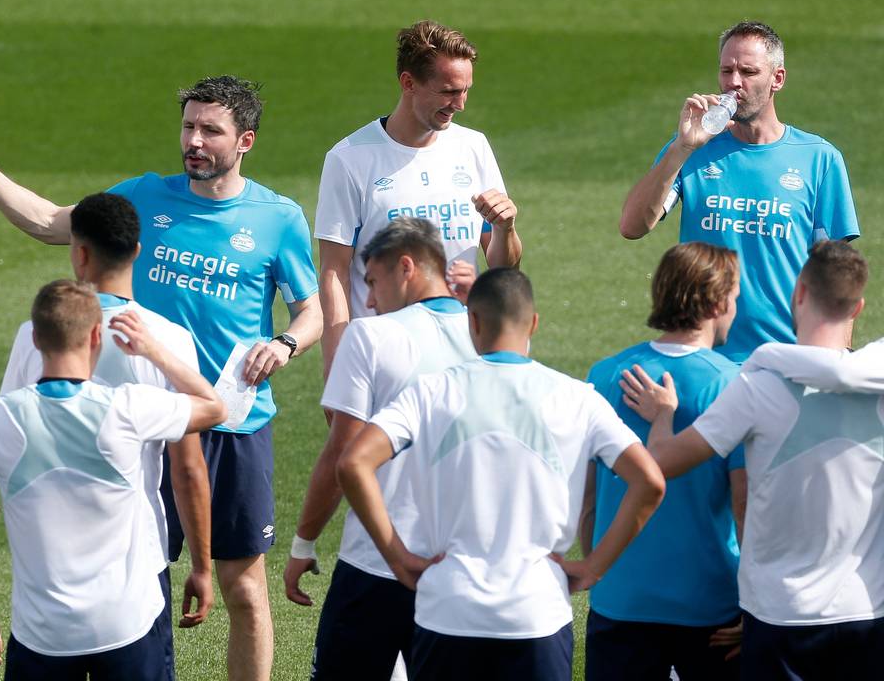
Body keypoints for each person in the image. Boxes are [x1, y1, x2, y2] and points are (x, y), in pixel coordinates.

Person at [0, 74, 321, 680]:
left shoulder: (278, 218)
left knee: (244, 589)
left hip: (233, 420)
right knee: (138, 574)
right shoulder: (145, 195)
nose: (194, 140)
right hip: (133, 424)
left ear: (244, 140)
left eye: (210, 130)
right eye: (189, 125)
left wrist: (285, 342)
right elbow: (50, 221)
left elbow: (313, 309)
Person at [338, 268, 665, 680]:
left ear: (472, 322)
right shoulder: (578, 398)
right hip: (537, 613)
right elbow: (650, 482)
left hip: (448, 610)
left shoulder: (430, 391)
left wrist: (397, 556)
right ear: (534, 323)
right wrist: (595, 566)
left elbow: (353, 463)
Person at [624, 240, 883, 680]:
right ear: (857, 307)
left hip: (780, 616)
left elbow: (661, 463)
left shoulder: (756, 386)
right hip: (867, 613)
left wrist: (664, 415)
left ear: (798, 292)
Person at [0, 279, 226, 679]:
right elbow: (214, 407)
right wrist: (154, 352)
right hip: (127, 625)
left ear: (34, 338)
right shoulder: (128, 408)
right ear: (97, 335)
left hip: (40, 634)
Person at [0, 192, 216, 671]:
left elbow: (13, 445)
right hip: (138, 564)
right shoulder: (170, 342)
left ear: (78, 253)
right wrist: (201, 566)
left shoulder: (33, 335)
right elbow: (188, 469)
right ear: (137, 251)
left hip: (51, 564)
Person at [284, 218, 477, 679]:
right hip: (462, 569)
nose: (368, 301)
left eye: (371, 282)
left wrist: (303, 542)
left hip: (375, 566)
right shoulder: (487, 335)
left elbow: (340, 455)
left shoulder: (370, 336)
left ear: (406, 267)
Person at [620, 21, 858, 361]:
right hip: (703, 357)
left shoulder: (819, 159)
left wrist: (840, 356)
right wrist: (681, 148)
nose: (734, 82)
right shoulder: (692, 149)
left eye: (748, 71)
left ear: (777, 79)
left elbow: (837, 274)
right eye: (726, 70)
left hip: (785, 360)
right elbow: (632, 226)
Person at [315, 19, 521, 377]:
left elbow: (503, 268)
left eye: (465, 90)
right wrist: (338, 370)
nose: (460, 104)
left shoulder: (473, 147)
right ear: (408, 83)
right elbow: (335, 273)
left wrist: (505, 229)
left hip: (462, 356)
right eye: (448, 92)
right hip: (387, 358)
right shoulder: (349, 158)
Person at [581, 242, 746, 680]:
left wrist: (600, 576)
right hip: (710, 608)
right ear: (716, 301)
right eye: (734, 295)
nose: (736, 306)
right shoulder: (734, 385)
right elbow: (745, 503)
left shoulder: (603, 374)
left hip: (620, 600)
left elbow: (588, 494)